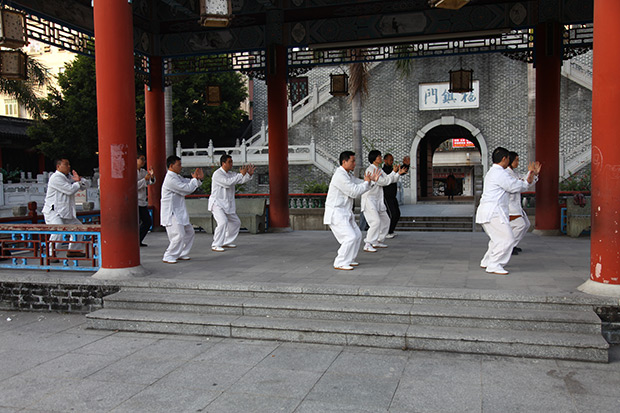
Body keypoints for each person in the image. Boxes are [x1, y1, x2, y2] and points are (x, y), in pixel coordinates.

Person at [475, 147, 541, 275]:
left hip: (490, 211)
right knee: (507, 239)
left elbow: (518, 182)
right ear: (504, 159)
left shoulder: (496, 172)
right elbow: (514, 186)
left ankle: (487, 261)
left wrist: (531, 176)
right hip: (493, 212)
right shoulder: (499, 173)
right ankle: (494, 264)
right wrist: (528, 180)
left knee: (498, 239)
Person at [324, 151, 381, 270]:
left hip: (345, 212)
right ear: (344, 162)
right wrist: (367, 182)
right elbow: (354, 191)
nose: (354, 164)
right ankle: (340, 262)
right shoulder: (339, 175)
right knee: (349, 237)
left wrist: (372, 181)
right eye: (352, 161)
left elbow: (360, 183)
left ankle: (349, 259)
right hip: (336, 212)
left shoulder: (347, 175)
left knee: (357, 235)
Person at [361, 149, 407, 252]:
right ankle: (368, 243)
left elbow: (390, 180)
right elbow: (383, 182)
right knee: (375, 221)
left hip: (378, 199)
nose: (381, 158)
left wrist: (398, 173)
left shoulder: (379, 170)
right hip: (370, 199)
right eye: (379, 157)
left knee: (386, 220)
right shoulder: (370, 170)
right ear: (374, 158)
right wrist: (393, 173)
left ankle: (378, 240)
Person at [161, 155, 204, 264]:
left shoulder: (176, 176)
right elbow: (186, 188)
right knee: (178, 235)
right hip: (171, 212)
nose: (181, 167)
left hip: (179, 211)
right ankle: (169, 255)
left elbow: (187, 182)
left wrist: (197, 179)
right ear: (171, 166)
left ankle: (181, 253)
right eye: (178, 165)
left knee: (189, 232)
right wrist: (195, 180)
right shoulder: (170, 179)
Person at [42, 158, 88, 259]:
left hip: (65, 211)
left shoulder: (67, 177)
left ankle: (73, 250)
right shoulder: (56, 178)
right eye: (66, 165)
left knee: (79, 228)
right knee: (58, 230)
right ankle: (51, 254)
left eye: (69, 164)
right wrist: (77, 183)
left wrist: (79, 180)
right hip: (54, 211)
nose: (69, 167)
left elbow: (84, 186)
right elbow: (69, 190)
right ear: (58, 166)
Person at [208, 154, 255, 252]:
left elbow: (240, 180)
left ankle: (226, 241)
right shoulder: (217, 174)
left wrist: (248, 175)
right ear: (223, 163)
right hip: (217, 204)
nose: (231, 164)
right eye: (229, 162)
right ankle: (216, 244)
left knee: (235, 222)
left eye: (232, 161)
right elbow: (228, 182)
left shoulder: (231, 173)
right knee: (222, 222)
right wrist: (241, 174)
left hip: (227, 204)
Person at [507, 151, 537, 255]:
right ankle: (508, 246)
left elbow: (524, 181)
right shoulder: (506, 173)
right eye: (516, 160)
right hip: (509, 206)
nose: (518, 162)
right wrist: (530, 175)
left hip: (515, 205)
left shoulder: (513, 173)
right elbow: (521, 184)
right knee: (520, 225)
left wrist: (533, 174)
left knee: (526, 224)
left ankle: (512, 245)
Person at [382, 154, 409, 238]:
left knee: (397, 213)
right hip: (386, 196)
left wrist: (406, 165)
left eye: (392, 160)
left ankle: (391, 231)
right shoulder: (383, 171)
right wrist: (394, 172)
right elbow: (387, 179)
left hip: (393, 196)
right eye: (390, 160)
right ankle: (386, 232)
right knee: (391, 214)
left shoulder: (392, 169)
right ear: (385, 160)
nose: (392, 162)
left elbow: (401, 172)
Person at [137, 153, 155, 247]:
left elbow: (150, 182)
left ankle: (138, 239)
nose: (143, 162)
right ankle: (135, 240)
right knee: (137, 222)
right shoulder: (131, 171)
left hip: (142, 200)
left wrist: (151, 176)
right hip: (135, 201)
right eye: (141, 159)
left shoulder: (143, 171)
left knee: (147, 222)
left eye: (144, 160)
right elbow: (133, 185)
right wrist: (144, 180)